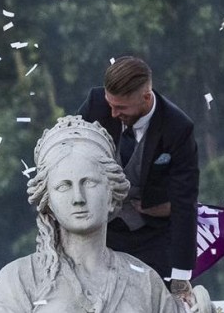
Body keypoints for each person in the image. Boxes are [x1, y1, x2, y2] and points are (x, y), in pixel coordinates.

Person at [0, 116, 186, 313]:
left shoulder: (145, 281)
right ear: (47, 200)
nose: (78, 197)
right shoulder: (19, 280)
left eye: (90, 182)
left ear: (111, 193)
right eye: (63, 186)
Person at [77, 56, 200, 301]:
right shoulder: (95, 105)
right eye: (110, 104)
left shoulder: (178, 128)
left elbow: (185, 203)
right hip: (99, 231)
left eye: (121, 108)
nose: (113, 113)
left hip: (151, 235)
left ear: (146, 97)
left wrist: (181, 276)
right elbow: (67, 149)